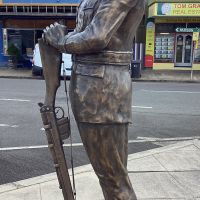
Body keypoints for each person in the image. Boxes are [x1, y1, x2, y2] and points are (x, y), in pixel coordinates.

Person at [43, 0, 145, 199]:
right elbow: (85, 32)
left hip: (102, 92)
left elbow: (97, 36)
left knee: (113, 179)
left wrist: (60, 41)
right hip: (91, 91)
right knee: (110, 176)